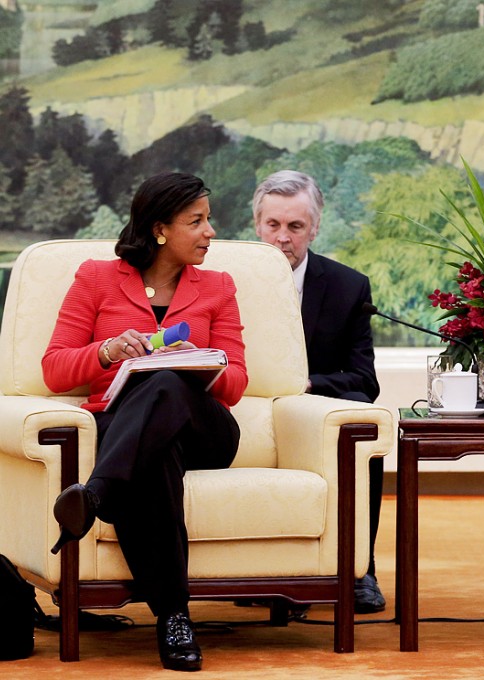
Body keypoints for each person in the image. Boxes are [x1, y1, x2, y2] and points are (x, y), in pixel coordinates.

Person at [42, 172, 248, 672]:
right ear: (160, 229)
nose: (210, 231)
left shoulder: (218, 286)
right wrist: (108, 350)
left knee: (167, 382)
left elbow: (238, 383)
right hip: (125, 430)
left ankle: (97, 494)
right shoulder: (96, 279)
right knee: (154, 462)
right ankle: (174, 617)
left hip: (206, 430)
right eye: (196, 221)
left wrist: (198, 360)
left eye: (208, 219)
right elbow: (54, 369)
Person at [252, 170, 385, 613]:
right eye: (273, 225)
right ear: (257, 225)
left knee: (361, 423)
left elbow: (364, 380)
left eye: (295, 226)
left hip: (312, 412)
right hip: (244, 410)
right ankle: (257, 573)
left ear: (314, 228)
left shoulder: (349, 287)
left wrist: (307, 384)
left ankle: (359, 570)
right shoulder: (223, 280)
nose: (282, 238)